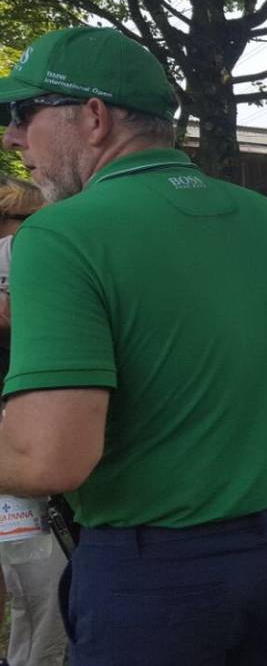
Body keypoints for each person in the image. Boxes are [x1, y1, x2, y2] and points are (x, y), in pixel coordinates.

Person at [0, 26, 267, 664]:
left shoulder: (59, 235)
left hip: (152, 574)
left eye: (23, 113)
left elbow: (50, 460)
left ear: (93, 117)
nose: (13, 137)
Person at [0, 176, 68, 666]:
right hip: (17, 441)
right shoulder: (16, 255)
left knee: (30, 573)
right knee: (36, 574)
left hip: (28, 433)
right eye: (30, 220)